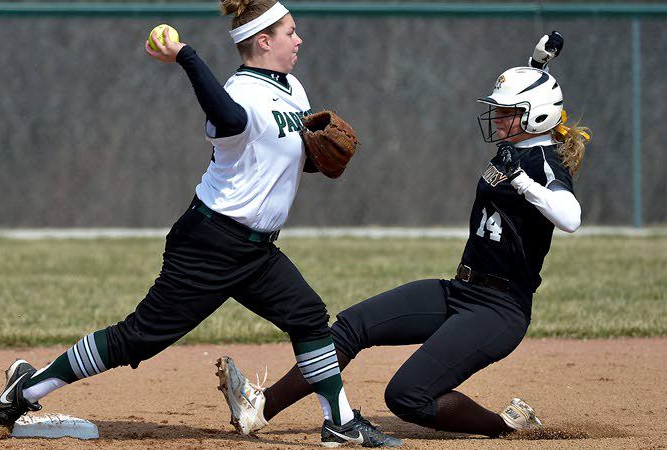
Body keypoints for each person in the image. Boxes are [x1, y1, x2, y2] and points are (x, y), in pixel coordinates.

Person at [0, 0, 401, 447]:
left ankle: (338, 420)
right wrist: (187, 56)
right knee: (139, 338)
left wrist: (319, 161)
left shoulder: (294, 90)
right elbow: (228, 120)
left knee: (307, 316)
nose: (298, 39)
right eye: (290, 32)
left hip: (256, 250)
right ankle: (27, 388)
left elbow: (270, 161)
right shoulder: (240, 92)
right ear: (264, 41)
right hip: (209, 242)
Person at [217, 32, 592, 438]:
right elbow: (534, 99)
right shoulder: (520, 144)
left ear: (536, 117)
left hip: (499, 310)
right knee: (349, 327)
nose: (497, 119)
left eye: (507, 113)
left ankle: (505, 426)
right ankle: (259, 410)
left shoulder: (543, 163)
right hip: (460, 291)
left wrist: (522, 181)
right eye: (498, 111)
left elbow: (570, 217)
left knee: (407, 397)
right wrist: (537, 65)